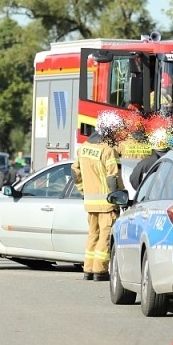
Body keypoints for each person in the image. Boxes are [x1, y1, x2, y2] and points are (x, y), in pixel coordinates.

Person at [72, 112, 123, 281]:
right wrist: (118, 197)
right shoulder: (108, 150)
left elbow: (75, 173)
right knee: (105, 236)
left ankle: (88, 269)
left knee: (92, 235)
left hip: (90, 202)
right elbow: (112, 178)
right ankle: (100, 271)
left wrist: (82, 191)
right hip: (106, 204)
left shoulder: (83, 148)